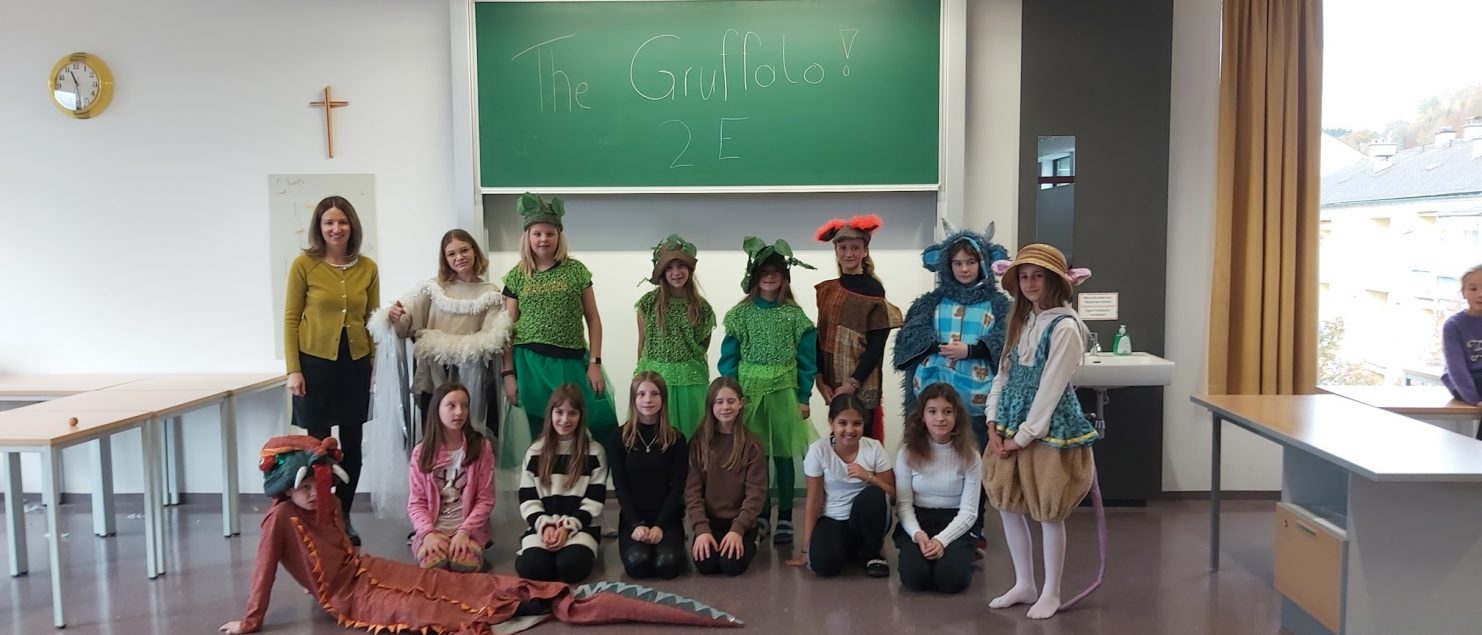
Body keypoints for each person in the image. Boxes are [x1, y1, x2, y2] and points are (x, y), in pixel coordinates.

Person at [219, 435, 739, 634]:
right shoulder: (279, 520)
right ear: (284, 488)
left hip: (364, 569)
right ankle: (515, 608)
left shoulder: (328, 502)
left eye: (316, 485)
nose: (314, 495)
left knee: (445, 583)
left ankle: (527, 598)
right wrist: (250, 620)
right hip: (346, 595)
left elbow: (343, 547)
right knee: (419, 609)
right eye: (303, 487)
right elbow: (265, 571)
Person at [982, 243, 1099, 619]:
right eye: (1024, 277)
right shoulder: (1021, 321)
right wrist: (991, 421)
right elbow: (1003, 375)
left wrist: (1023, 436)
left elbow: (1050, 389)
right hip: (1009, 423)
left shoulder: (1065, 327)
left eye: (1038, 276)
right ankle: (1024, 583)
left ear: (1054, 281)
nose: (1030, 283)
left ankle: (1051, 591)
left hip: (1045, 428)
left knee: (1049, 511)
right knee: (1008, 506)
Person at [367, 228, 509, 519]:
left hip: (470, 387)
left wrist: (446, 343)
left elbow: (491, 337)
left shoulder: (490, 293)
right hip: (433, 382)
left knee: (470, 447)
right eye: (451, 253)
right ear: (444, 258)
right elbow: (405, 322)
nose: (459, 257)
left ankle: (466, 514)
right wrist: (393, 315)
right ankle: (429, 516)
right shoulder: (432, 289)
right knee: (432, 446)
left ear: (475, 252)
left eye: (464, 250)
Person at [893, 220, 1010, 551]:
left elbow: (1009, 342)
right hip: (933, 397)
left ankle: (973, 526)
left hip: (978, 400)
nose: (964, 269)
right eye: (957, 263)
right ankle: (922, 524)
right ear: (946, 264)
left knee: (974, 463)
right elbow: (907, 341)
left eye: (970, 262)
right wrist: (935, 345)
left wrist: (972, 350)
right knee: (929, 459)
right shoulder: (929, 302)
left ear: (984, 263)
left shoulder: (999, 304)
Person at [283, 195, 378, 545]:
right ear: (319, 228)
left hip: (355, 365)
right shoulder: (303, 265)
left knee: (352, 444)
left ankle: (344, 514)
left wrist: (375, 366)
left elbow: (372, 319)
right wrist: (294, 369)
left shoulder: (367, 268)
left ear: (351, 226)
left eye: (342, 222)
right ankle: (320, 515)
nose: (336, 228)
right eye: (329, 223)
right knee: (317, 446)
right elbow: (291, 318)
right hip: (315, 366)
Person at [719, 237, 817, 545]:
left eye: (776, 271)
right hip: (749, 396)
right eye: (764, 272)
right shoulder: (740, 315)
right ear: (754, 277)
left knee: (784, 456)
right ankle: (759, 513)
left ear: (784, 277)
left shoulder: (795, 317)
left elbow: (807, 362)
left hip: (784, 394)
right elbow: (729, 359)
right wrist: (732, 395)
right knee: (755, 457)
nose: (770, 276)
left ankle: (785, 515)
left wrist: (803, 397)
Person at [501, 193, 619, 447]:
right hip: (529, 364)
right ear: (528, 237)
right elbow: (506, 329)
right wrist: (508, 373)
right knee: (540, 427)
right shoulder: (517, 276)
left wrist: (595, 362)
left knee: (593, 418)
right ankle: (543, 470)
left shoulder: (576, 271)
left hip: (570, 360)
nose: (543, 239)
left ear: (559, 236)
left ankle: (596, 469)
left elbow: (593, 319)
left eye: (550, 233)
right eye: (537, 234)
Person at [813, 215, 902, 441]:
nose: (849, 253)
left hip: (862, 383)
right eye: (843, 248)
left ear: (865, 251)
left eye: (855, 248)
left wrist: (853, 383)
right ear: (836, 251)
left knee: (863, 443)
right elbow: (820, 336)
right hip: (833, 384)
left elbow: (876, 346)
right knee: (839, 440)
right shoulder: (827, 290)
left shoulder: (874, 291)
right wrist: (820, 379)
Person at [785, 393, 894, 578]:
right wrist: (805, 550)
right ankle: (850, 549)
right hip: (833, 518)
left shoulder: (874, 447)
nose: (850, 430)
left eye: (857, 423)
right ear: (831, 423)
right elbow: (813, 502)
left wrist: (869, 477)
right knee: (823, 566)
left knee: (875, 494)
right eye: (842, 423)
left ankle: (872, 551)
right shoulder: (818, 450)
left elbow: (892, 494)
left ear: (864, 423)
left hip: (863, 520)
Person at [893, 383, 981, 594]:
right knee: (914, 579)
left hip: (955, 520)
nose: (940, 418)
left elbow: (969, 512)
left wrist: (941, 541)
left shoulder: (971, 456)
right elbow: (903, 505)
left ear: (956, 416)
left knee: (950, 581)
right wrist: (918, 535)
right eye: (932, 411)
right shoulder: (907, 453)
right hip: (919, 520)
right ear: (922, 416)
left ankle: (964, 554)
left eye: (947, 412)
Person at [515, 385, 607, 584]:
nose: (565, 420)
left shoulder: (595, 452)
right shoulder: (535, 452)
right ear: (551, 414)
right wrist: (545, 525)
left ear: (581, 416)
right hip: (542, 527)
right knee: (532, 568)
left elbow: (594, 501)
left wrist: (567, 528)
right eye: (559, 412)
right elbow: (528, 499)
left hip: (581, 528)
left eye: (572, 413)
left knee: (570, 567)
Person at [605, 371, 689, 579]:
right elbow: (621, 487)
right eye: (641, 394)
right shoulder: (618, 438)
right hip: (634, 517)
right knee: (638, 564)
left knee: (667, 566)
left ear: (663, 399)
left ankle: (673, 542)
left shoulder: (676, 439)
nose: (648, 400)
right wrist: (636, 524)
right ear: (633, 399)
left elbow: (678, 487)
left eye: (654, 394)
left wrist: (660, 526)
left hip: (667, 517)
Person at [407, 383, 496, 572]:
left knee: (465, 565)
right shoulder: (421, 452)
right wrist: (428, 533)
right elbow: (416, 503)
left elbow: (486, 499)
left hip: (469, 530)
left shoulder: (481, 447)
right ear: (437, 409)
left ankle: (470, 545)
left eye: (464, 406)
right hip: (433, 529)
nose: (459, 412)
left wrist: (464, 532)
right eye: (451, 406)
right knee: (433, 567)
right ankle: (425, 542)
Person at [634, 234, 716, 438]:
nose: (676, 272)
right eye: (669, 268)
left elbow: (703, 345)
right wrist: (641, 380)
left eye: (681, 266)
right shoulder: (648, 303)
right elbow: (642, 344)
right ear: (662, 272)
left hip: (691, 381)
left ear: (689, 269)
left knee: (690, 437)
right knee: (657, 436)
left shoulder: (701, 307)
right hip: (656, 380)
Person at [685, 377, 767, 576]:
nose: (725, 407)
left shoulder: (752, 445)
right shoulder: (698, 442)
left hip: (741, 522)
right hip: (710, 522)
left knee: (731, 566)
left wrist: (738, 530)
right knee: (706, 566)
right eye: (719, 402)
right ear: (710, 406)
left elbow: (755, 494)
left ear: (741, 403)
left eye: (731, 401)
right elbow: (692, 492)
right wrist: (702, 529)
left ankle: (755, 538)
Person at [1441, 263, 1482, 410]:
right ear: (1463, 292)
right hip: (1463, 381)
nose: (1480, 294)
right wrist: (1475, 400)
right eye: (1473, 289)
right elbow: (1457, 369)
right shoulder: (1453, 325)